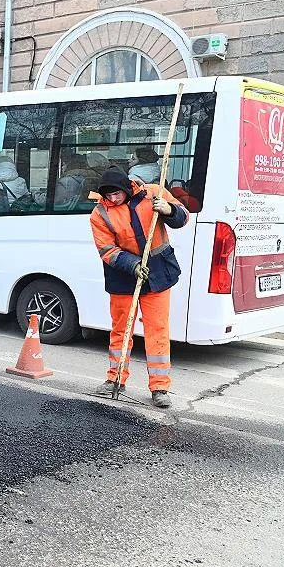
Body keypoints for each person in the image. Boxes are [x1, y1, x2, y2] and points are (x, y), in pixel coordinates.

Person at [91, 166, 190, 408]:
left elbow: (183, 217)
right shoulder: (100, 213)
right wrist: (133, 264)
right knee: (121, 330)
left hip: (158, 273)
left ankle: (160, 387)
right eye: (108, 195)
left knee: (158, 330)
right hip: (123, 277)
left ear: (126, 188)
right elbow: (107, 250)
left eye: (116, 194)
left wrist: (169, 210)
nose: (113, 199)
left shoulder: (154, 193)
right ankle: (115, 379)